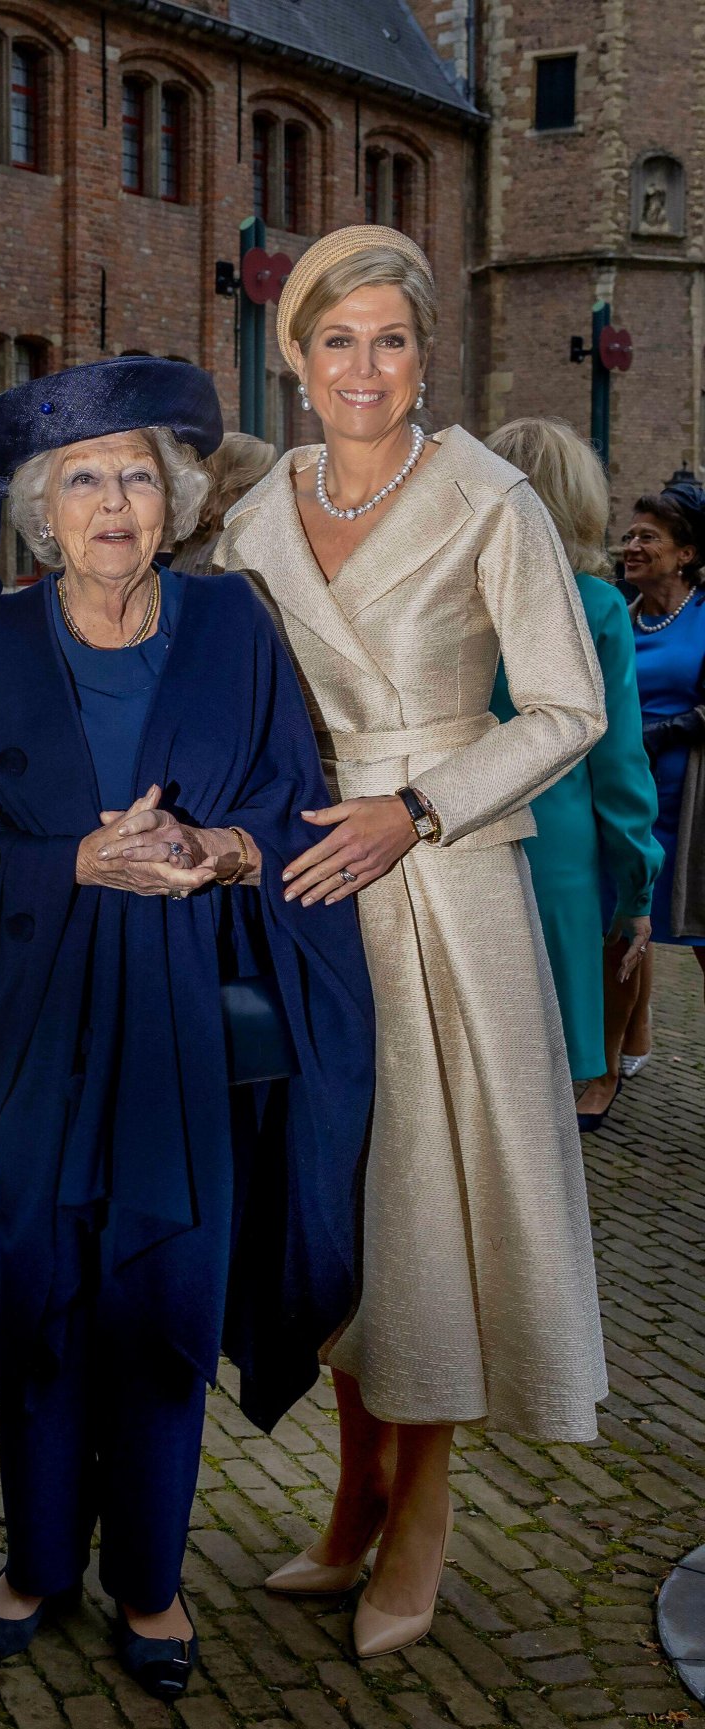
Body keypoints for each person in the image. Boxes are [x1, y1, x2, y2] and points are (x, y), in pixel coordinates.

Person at [0, 356, 375, 1701]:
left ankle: (152, 1581)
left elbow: (295, 804)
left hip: (180, 1012)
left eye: (137, 479)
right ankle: (36, 1562)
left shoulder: (234, 627)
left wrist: (223, 851)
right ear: (46, 515)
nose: (113, 502)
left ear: (174, 504)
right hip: (30, 1019)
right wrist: (71, 863)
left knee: (165, 1293)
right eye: (84, 481)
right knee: (37, 1290)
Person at [215, 225, 608, 1660]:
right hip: (310, 896)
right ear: (296, 360)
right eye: (337, 340)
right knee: (339, 1208)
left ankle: (422, 1516)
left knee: (434, 1213)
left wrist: (418, 809)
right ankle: (351, 1496)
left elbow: (568, 709)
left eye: (390, 339)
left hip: (444, 885)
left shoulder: (489, 498)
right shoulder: (257, 522)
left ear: (426, 353)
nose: (363, 366)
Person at [483, 418, 662, 1128]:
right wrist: (637, 885)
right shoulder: (596, 605)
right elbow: (618, 759)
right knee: (543, 1072)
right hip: (555, 844)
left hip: (448, 827)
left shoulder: (447, 594)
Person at [603, 487, 705, 1084]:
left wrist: (662, 733)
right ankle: (621, 1049)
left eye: (648, 538)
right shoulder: (616, 608)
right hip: (622, 793)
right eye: (630, 535)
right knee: (623, 918)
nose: (631, 546)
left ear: (686, 553)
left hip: (690, 796)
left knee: (695, 926)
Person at [173, 430, 277, 573]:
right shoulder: (238, 549)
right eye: (263, 482)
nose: (272, 492)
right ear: (237, 488)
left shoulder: (188, 543)